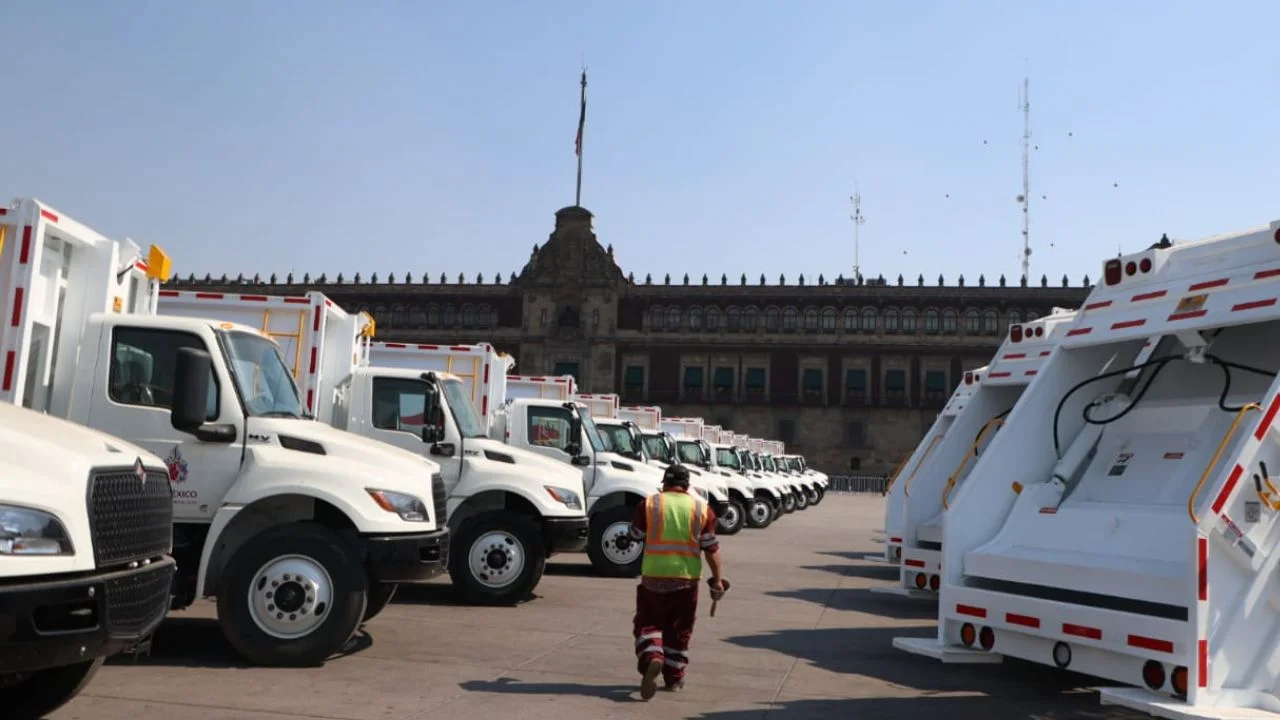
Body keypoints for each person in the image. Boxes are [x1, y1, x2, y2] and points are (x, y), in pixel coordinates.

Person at [624, 464, 725, 700]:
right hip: (686, 581)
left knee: (647, 624)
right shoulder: (702, 509)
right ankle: (674, 678)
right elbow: (711, 549)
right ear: (687, 485)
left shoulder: (649, 504)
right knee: (679, 630)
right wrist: (718, 580)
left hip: (653, 579)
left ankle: (653, 657)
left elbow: (635, 536)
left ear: (664, 483)